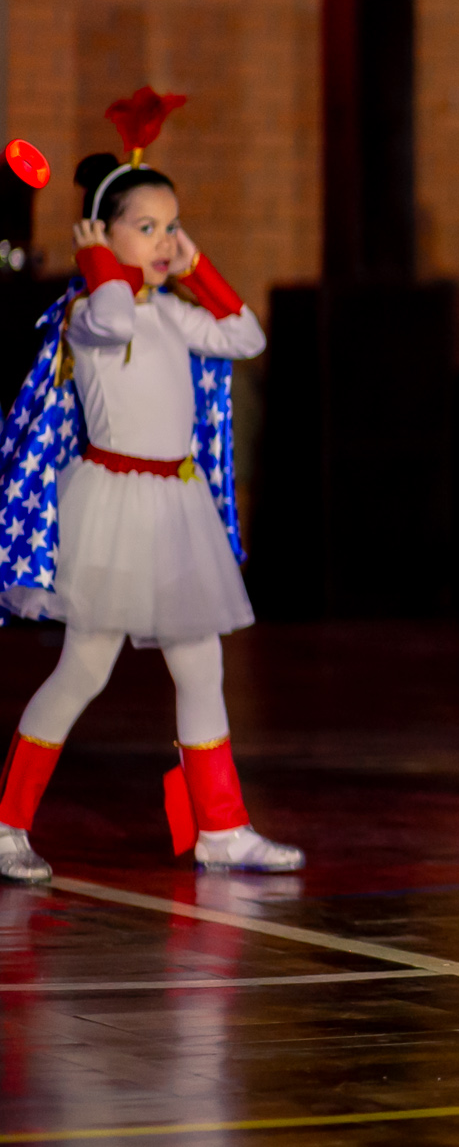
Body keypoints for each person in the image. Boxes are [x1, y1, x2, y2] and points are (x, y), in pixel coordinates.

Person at [0, 90, 301, 881]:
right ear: (103, 232)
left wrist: (194, 265)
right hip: (114, 506)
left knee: (201, 667)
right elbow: (113, 318)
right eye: (149, 226)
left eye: (173, 226)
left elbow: (245, 333)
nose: (166, 240)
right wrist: (101, 257)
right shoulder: (90, 314)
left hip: (174, 505)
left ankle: (223, 829)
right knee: (84, 670)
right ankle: (5, 824)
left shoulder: (171, 313)